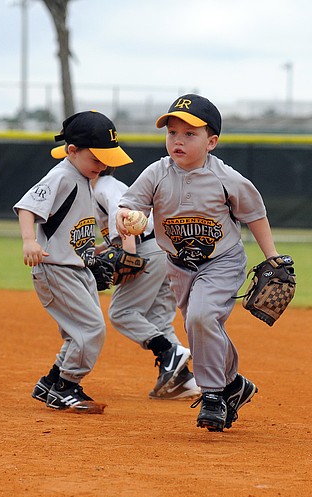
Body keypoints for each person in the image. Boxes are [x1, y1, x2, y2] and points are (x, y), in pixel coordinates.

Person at [117, 94, 282, 432]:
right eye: (172, 133)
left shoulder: (227, 178)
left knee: (201, 316)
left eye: (190, 134)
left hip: (222, 261)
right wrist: (126, 220)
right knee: (200, 326)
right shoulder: (156, 173)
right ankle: (234, 385)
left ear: (212, 142)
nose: (178, 140)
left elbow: (255, 215)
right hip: (178, 266)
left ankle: (213, 394)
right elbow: (130, 204)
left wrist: (273, 258)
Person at [15, 110, 132, 414]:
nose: (102, 165)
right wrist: (29, 241)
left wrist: (96, 251)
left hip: (76, 268)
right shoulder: (61, 176)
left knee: (77, 331)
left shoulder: (83, 177)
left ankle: (51, 382)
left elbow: (73, 227)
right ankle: (66, 389)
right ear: (72, 151)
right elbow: (27, 207)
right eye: (96, 159)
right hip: (56, 269)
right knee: (90, 329)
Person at [92, 168, 199, 400]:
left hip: (145, 250)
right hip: (165, 250)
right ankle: (182, 381)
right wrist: (101, 249)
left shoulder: (104, 186)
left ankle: (168, 351)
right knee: (158, 319)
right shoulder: (106, 186)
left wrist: (130, 256)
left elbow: (127, 215)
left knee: (122, 312)